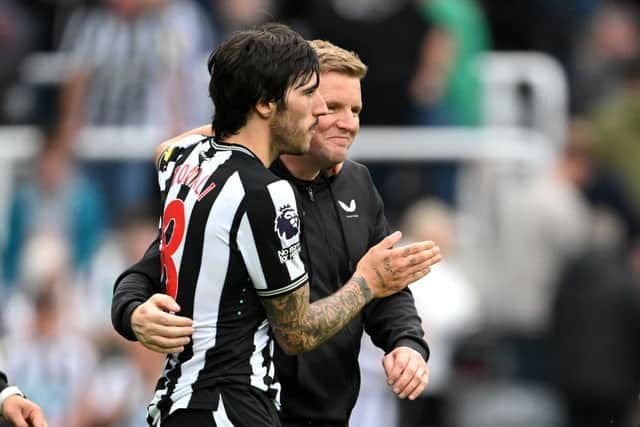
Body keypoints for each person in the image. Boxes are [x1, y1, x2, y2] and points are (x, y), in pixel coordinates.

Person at [113, 24, 439, 427]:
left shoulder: (356, 184)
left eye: (355, 110)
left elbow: (387, 285)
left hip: (299, 412)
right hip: (240, 408)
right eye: (324, 104)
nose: (345, 123)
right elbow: (153, 269)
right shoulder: (256, 189)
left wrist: (407, 343)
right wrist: (132, 312)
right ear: (276, 102)